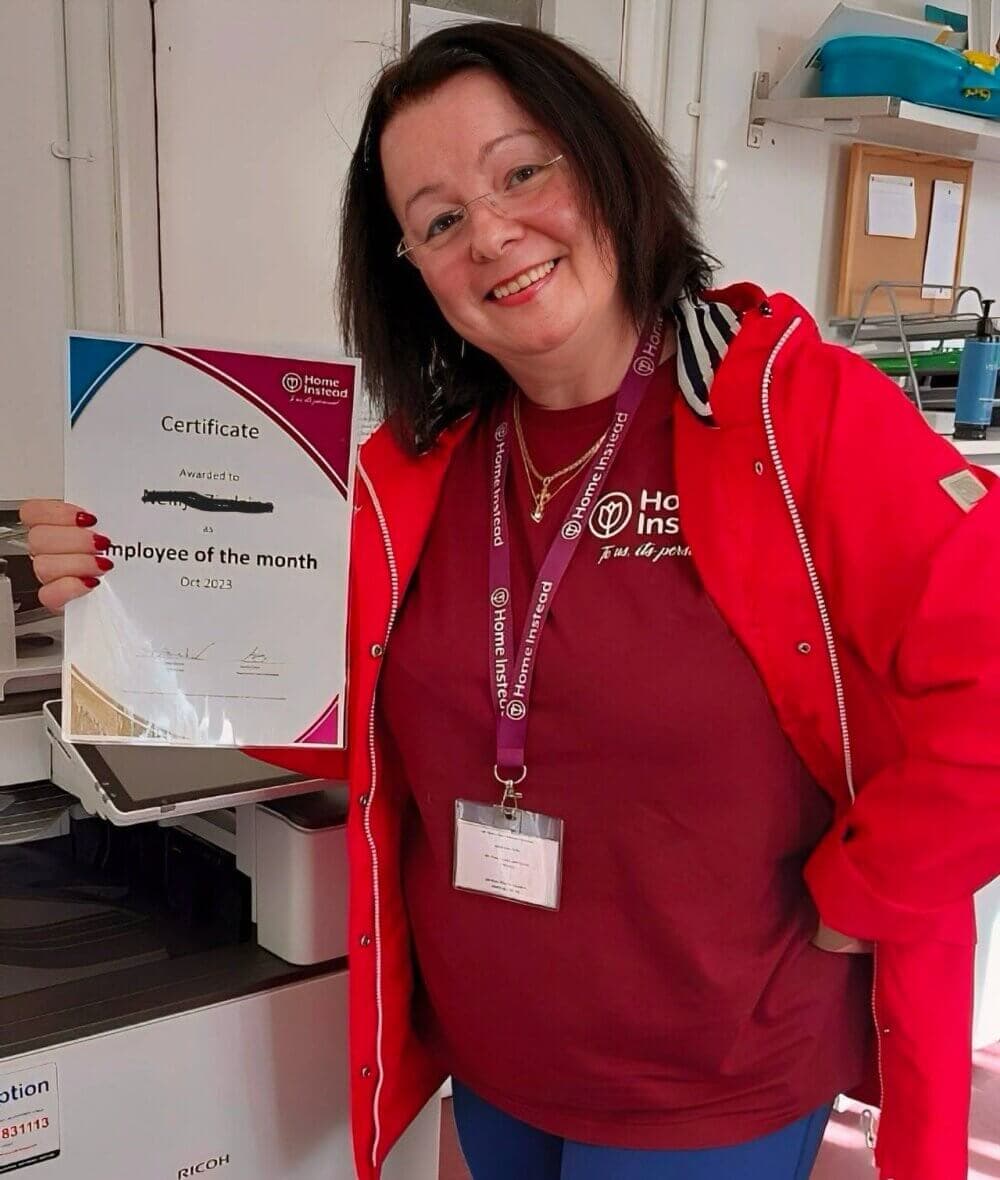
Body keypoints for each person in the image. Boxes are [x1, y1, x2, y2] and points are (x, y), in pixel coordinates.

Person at [20, 21, 1000, 1180]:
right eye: (437, 220)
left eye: (520, 171)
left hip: (708, 1080)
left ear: (604, 161)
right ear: (415, 270)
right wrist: (133, 607)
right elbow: (351, 715)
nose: (489, 233)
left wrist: (864, 888)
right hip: (492, 1059)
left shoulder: (793, 417)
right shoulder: (418, 468)